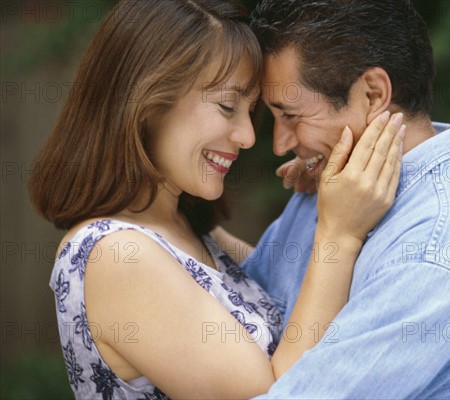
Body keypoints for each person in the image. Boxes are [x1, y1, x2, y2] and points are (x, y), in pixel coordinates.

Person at [27, 0, 405, 398]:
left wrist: (322, 169)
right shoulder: (118, 256)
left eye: (249, 111)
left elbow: (297, 295)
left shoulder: (186, 232)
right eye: (227, 106)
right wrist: (338, 233)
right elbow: (285, 393)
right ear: (147, 101)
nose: (246, 136)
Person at [229, 0, 450, 398]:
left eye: (291, 116)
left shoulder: (439, 252)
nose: (281, 143)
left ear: (373, 95)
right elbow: (244, 304)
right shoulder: (336, 187)